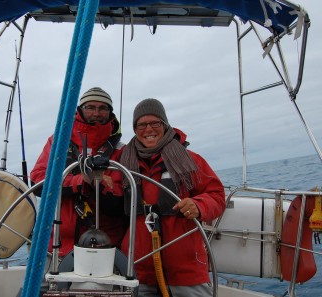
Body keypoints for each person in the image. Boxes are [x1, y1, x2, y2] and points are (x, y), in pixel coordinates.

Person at [119, 98, 226, 297]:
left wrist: (198, 204)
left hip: (186, 269)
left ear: (165, 125)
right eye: (141, 124)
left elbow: (217, 196)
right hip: (138, 268)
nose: (148, 129)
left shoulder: (190, 160)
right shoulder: (123, 163)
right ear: (134, 129)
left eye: (155, 123)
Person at [30, 87, 127, 259]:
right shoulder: (58, 141)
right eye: (90, 107)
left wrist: (100, 184)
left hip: (107, 246)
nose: (96, 113)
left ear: (110, 113)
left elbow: (122, 197)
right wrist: (82, 180)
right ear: (80, 110)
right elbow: (38, 181)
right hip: (57, 245)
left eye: (103, 108)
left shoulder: (121, 150)